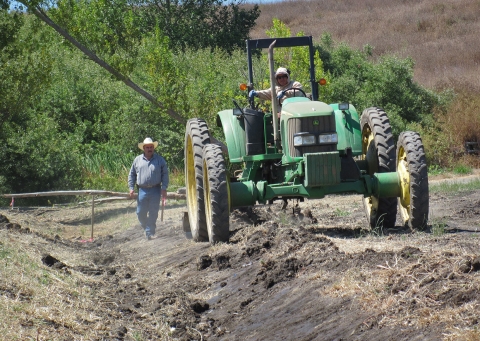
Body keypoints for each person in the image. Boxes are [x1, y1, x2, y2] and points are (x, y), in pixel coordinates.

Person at [128, 137, 169, 240]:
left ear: (153, 148)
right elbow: (131, 175)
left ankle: (150, 232)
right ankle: (147, 228)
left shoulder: (160, 160)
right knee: (140, 212)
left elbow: (165, 174)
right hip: (142, 190)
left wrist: (164, 188)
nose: (150, 149)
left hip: (155, 189)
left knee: (153, 212)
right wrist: (131, 187)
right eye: (147, 147)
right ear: (144, 148)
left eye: (151, 147)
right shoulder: (137, 160)